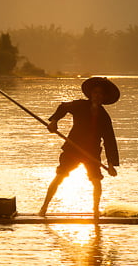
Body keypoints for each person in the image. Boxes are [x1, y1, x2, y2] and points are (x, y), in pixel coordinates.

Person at [38, 77, 120, 219]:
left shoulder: (104, 117)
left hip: (92, 153)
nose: (97, 96)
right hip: (72, 149)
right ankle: (44, 208)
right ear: (91, 94)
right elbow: (63, 107)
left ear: (104, 97)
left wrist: (111, 164)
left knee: (96, 180)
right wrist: (54, 121)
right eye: (95, 93)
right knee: (60, 176)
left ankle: (95, 211)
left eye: (100, 94)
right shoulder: (80, 105)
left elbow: (109, 141)